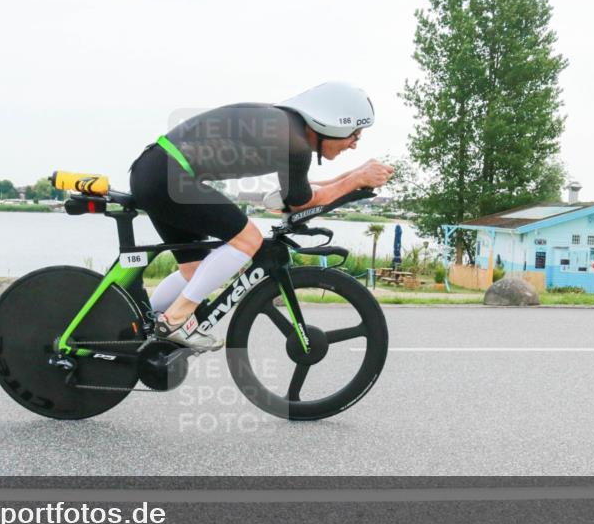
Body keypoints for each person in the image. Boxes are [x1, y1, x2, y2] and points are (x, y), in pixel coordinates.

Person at [128, 81, 394, 351]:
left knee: (194, 272)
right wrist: (356, 178)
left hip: (158, 172)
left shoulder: (287, 128)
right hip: (171, 177)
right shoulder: (294, 141)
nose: (354, 145)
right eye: (355, 135)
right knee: (248, 240)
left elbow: (301, 193)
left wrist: (354, 177)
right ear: (335, 124)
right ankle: (175, 320)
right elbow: (301, 203)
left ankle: (137, 333)